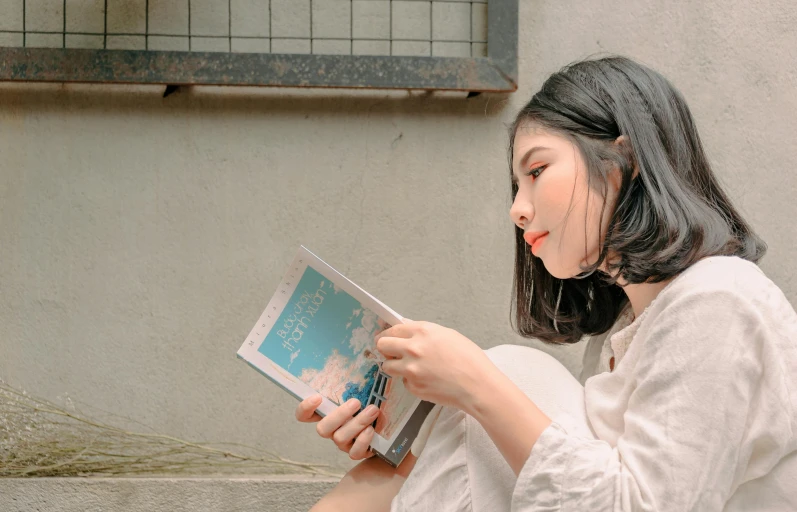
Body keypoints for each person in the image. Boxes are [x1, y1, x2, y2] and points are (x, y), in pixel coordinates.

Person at [295, 56, 797, 511]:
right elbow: (556, 486)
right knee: (430, 437)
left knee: (512, 373)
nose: (517, 209)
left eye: (537, 170)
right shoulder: (624, 332)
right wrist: (402, 447)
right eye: (517, 186)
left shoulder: (719, 298)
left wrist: (478, 383)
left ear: (626, 161)